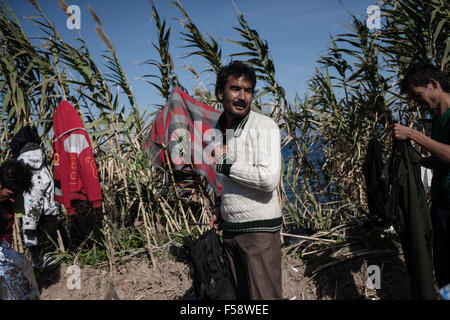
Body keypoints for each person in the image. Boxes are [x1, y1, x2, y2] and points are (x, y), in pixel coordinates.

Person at [209, 60, 283, 300]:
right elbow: (227, 179)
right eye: (235, 89)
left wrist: (225, 163)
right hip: (230, 231)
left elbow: (268, 179)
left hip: (258, 233)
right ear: (220, 93)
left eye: (248, 90)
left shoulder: (265, 126)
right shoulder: (220, 128)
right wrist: (220, 206)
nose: (242, 96)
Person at [393, 62, 450, 289]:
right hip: (442, 206)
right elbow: (441, 160)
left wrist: (413, 134)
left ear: (433, 84)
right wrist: (415, 160)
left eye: (418, 96)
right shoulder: (438, 119)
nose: (417, 103)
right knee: (445, 269)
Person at [0, 159, 33, 244]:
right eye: (10, 195)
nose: (13, 200)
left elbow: (6, 235)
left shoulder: (8, 206)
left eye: (16, 196)